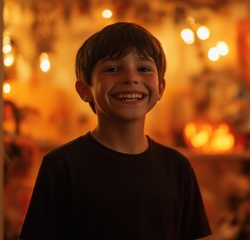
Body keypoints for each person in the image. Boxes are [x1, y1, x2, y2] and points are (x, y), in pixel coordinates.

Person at [19, 22, 211, 240]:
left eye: (144, 69)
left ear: (160, 88)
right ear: (85, 90)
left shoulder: (177, 168)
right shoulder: (61, 166)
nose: (130, 77)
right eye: (112, 69)